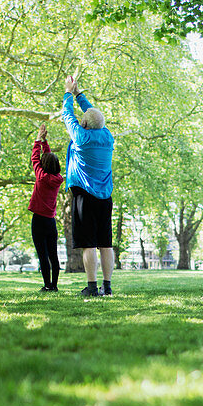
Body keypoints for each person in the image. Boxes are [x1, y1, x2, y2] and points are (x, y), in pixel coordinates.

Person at [61, 75, 116, 297]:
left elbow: (67, 115)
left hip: (84, 196)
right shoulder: (107, 137)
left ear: (84, 124)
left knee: (89, 244)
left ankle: (92, 287)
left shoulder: (81, 138)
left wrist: (67, 93)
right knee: (105, 244)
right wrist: (79, 95)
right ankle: (107, 287)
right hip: (105, 197)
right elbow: (95, 115)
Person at [29, 122, 65, 291]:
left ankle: (46, 285)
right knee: (53, 255)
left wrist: (38, 140)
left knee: (43, 256)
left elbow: (35, 158)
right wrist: (44, 143)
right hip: (51, 222)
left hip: (38, 221)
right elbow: (47, 158)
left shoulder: (41, 176)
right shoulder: (57, 179)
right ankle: (55, 286)